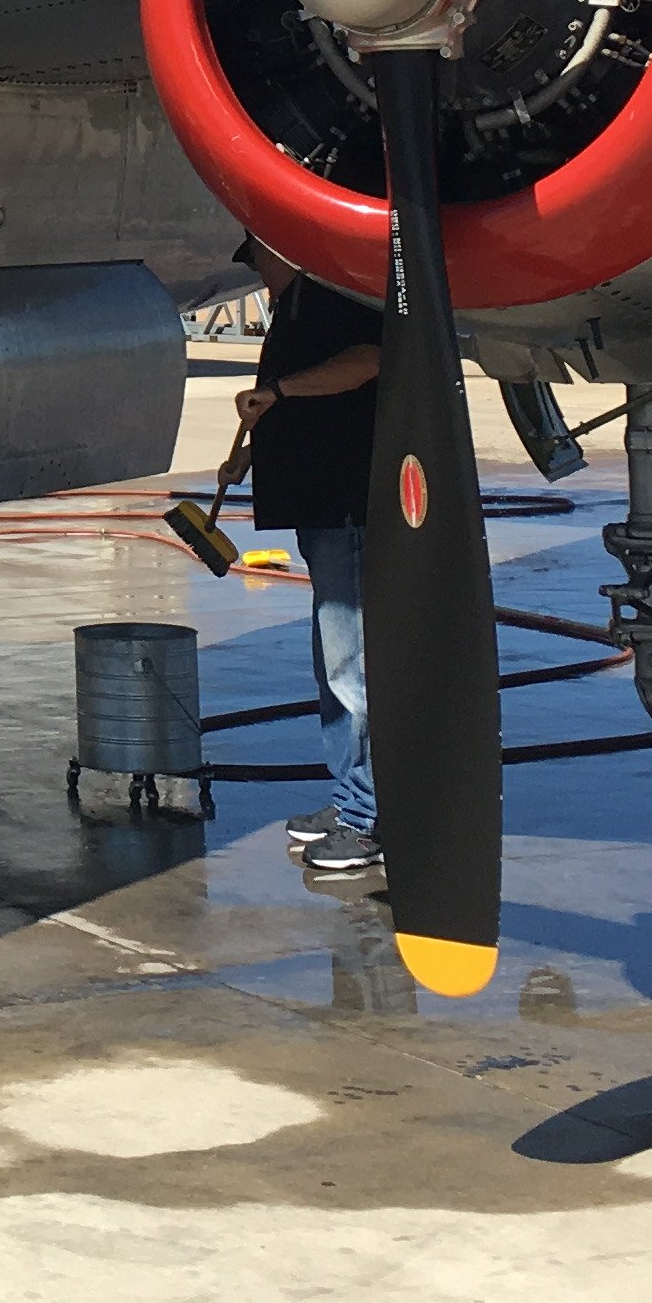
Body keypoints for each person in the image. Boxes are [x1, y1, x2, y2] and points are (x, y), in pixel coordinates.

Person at [218, 235, 386, 890]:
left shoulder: (330, 301)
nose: (259, 274)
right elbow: (283, 402)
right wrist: (249, 455)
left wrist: (280, 393)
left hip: (344, 505)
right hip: (319, 509)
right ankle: (350, 797)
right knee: (334, 662)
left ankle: (369, 819)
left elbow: (368, 360)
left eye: (260, 260)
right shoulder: (292, 314)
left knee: (352, 664)